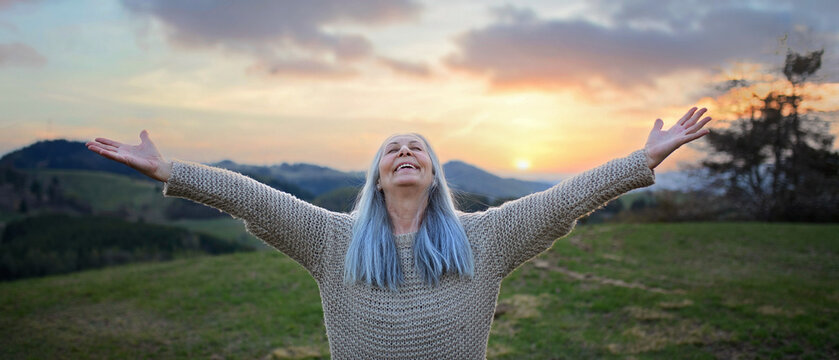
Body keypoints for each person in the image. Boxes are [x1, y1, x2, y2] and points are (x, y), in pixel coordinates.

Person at [86, 107, 711, 359]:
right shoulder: (333, 240)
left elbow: (564, 200)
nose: (406, 151)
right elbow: (255, 198)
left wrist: (641, 160)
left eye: (418, 147)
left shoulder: (483, 239)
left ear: (434, 172)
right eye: (393, 149)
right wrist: (171, 171)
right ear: (378, 176)